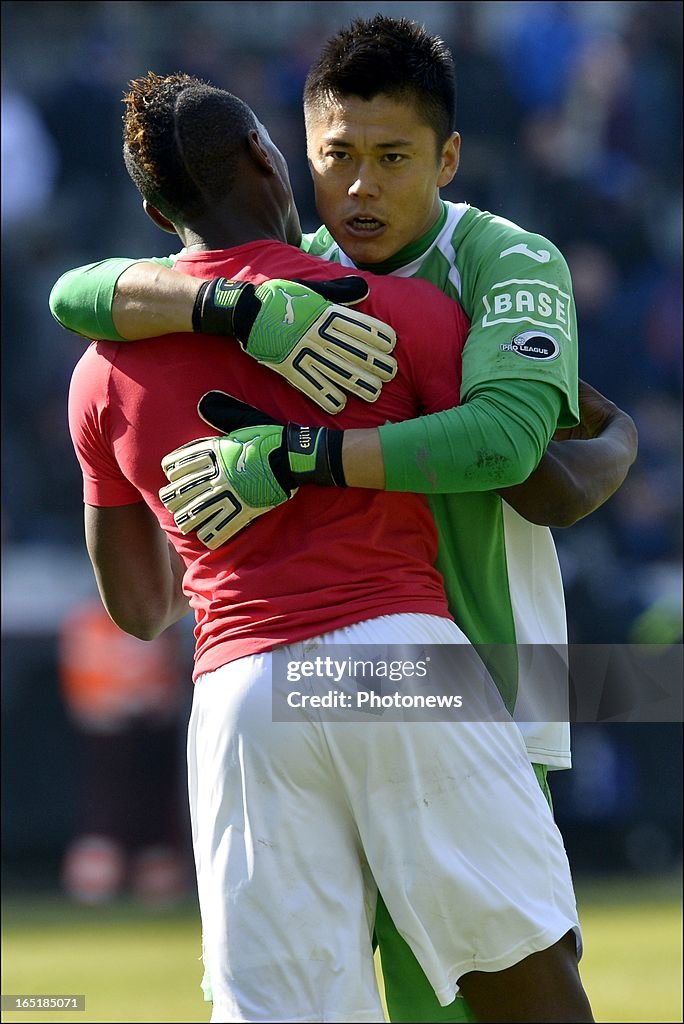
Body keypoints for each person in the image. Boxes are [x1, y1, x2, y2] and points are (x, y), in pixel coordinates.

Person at [50, 19, 635, 1019]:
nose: (361, 187)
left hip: (261, 688)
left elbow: (82, 300)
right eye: (340, 159)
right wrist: (239, 310)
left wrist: (293, 443)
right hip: (421, 668)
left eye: (392, 159)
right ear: (280, 155)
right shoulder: (369, 303)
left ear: (448, 158)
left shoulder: (497, 257)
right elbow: (528, 466)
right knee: (521, 992)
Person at [58, 599, 189, 905]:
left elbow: (168, 679)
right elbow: (83, 683)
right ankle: (97, 879)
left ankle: (155, 875)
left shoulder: (161, 616)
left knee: (155, 812)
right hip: (106, 734)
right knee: (104, 810)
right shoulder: (88, 621)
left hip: (153, 733)